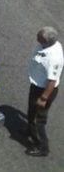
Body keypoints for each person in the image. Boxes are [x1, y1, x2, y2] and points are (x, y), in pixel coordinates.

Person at [25, 26, 62, 157]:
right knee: (31, 112)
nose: (36, 37)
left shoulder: (53, 58)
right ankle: (30, 130)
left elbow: (52, 82)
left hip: (44, 91)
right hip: (36, 86)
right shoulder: (49, 45)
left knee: (39, 119)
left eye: (39, 36)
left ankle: (42, 147)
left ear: (46, 42)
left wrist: (44, 98)